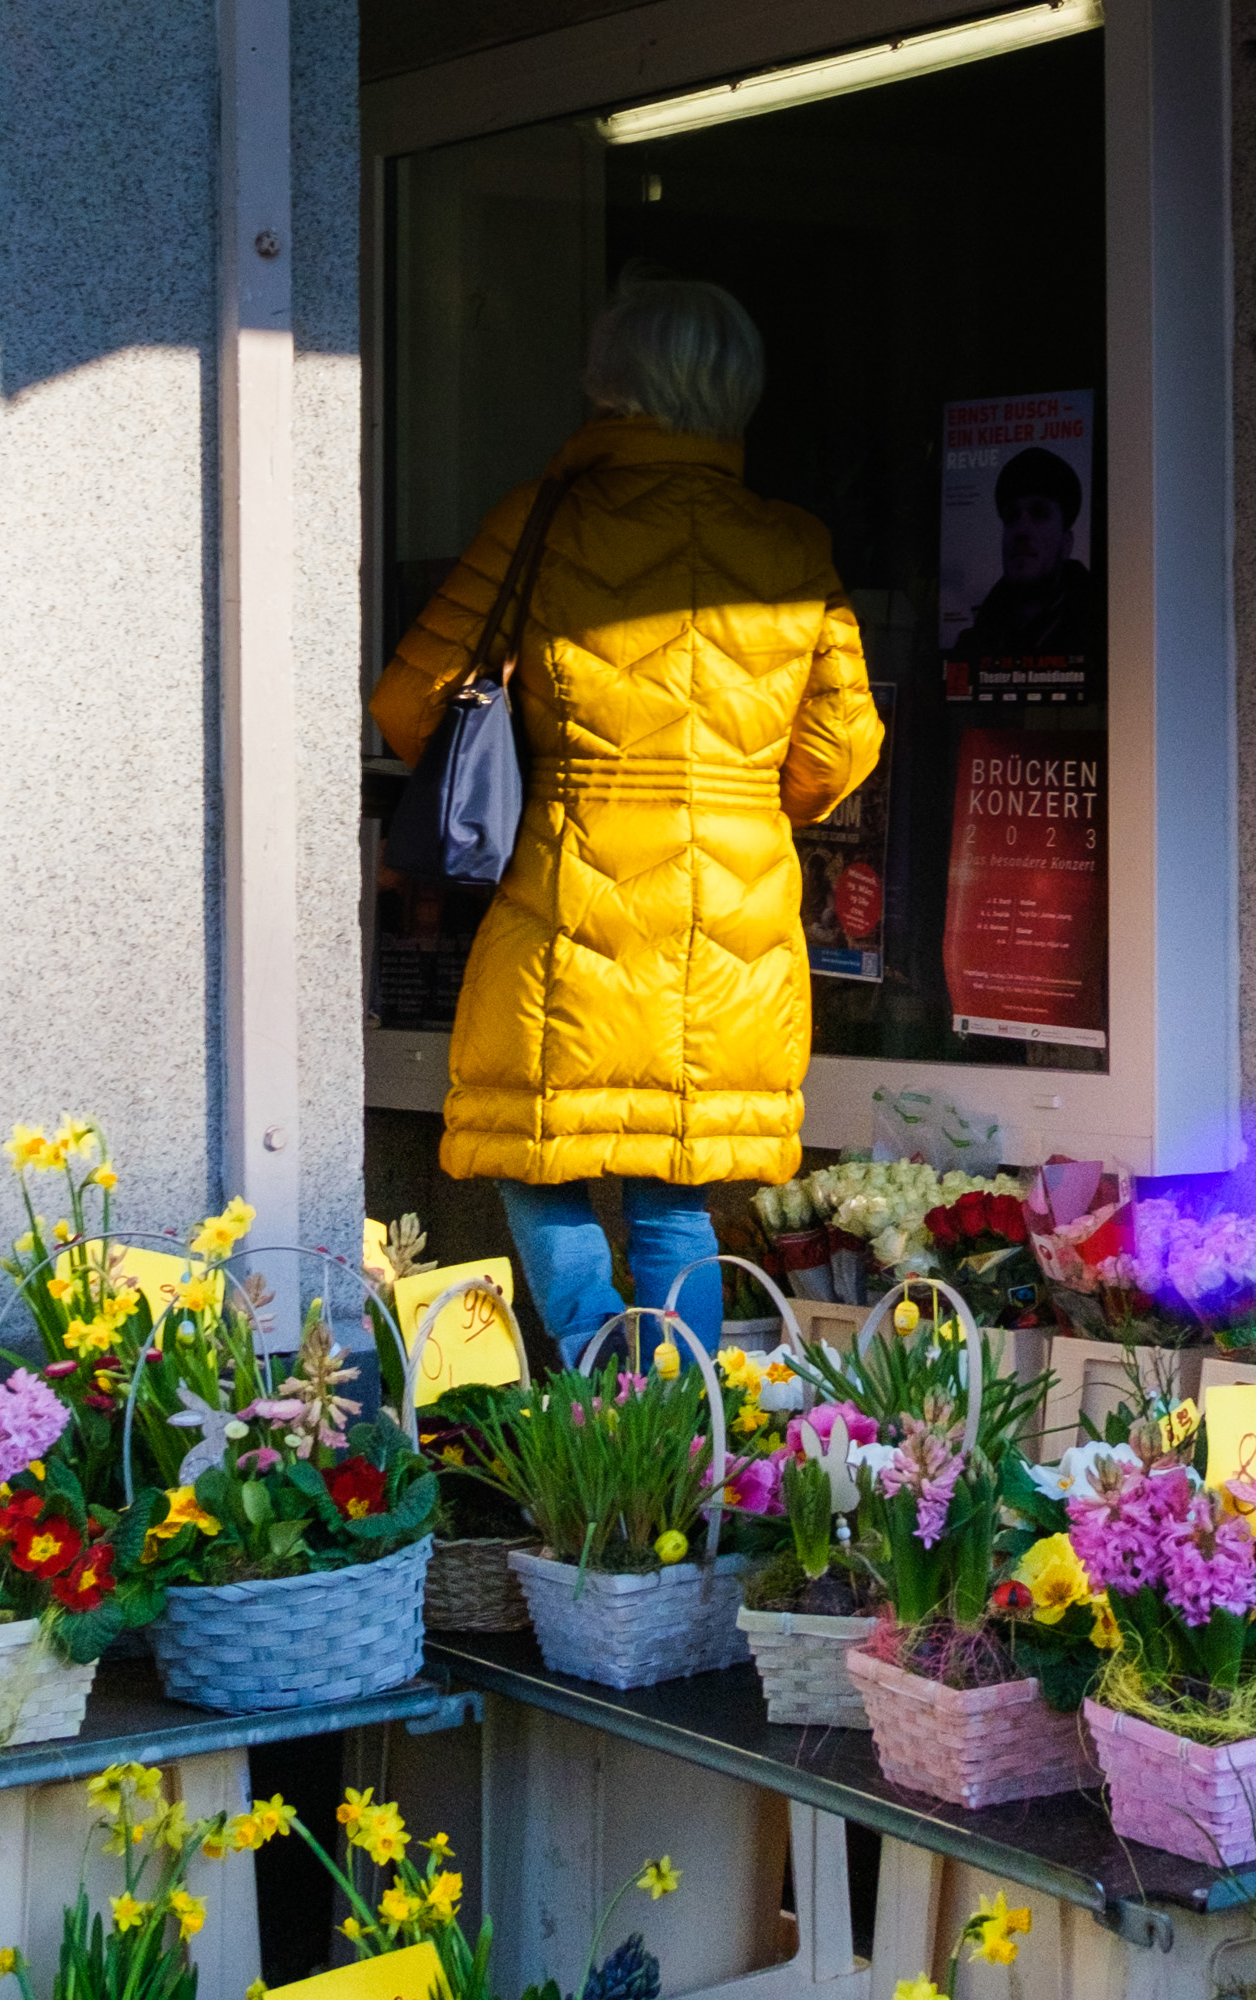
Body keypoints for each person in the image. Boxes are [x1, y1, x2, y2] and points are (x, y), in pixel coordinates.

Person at [369, 277, 883, 1354]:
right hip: (737, 921)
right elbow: (836, 757)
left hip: (570, 889)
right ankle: (683, 1425)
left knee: (527, 1152)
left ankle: (604, 1373)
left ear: (609, 387)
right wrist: (736, 797)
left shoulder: (541, 520)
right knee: (676, 1190)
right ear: (737, 394)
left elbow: (408, 705)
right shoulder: (794, 545)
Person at [953, 445, 1102, 657]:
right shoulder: (972, 646)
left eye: (1039, 514)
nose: (1021, 530)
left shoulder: (1102, 636)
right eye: (1012, 517)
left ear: (1066, 543)